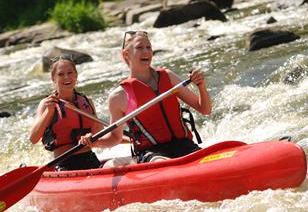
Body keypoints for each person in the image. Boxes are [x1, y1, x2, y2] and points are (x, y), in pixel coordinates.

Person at [80, 31, 211, 164]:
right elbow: (115, 138)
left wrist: (201, 85)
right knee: (162, 163)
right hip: (152, 153)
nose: (146, 52)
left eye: (148, 47)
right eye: (139, 48)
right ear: (126, 54)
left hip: (184, 145)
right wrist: (94, 142)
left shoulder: (168, 77)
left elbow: (205, 110)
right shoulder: (119, 96)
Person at [29, 55, 103, 171]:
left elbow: (100, 135)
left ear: (76, 75)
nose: (66, 77)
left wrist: (91, 137)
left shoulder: (87, 102)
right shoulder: (46, 104)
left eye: (70, 73)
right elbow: (33, 139)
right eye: (60, 74)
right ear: (53, 78)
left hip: (90, 159)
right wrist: (49, 112)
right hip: (64, 164)